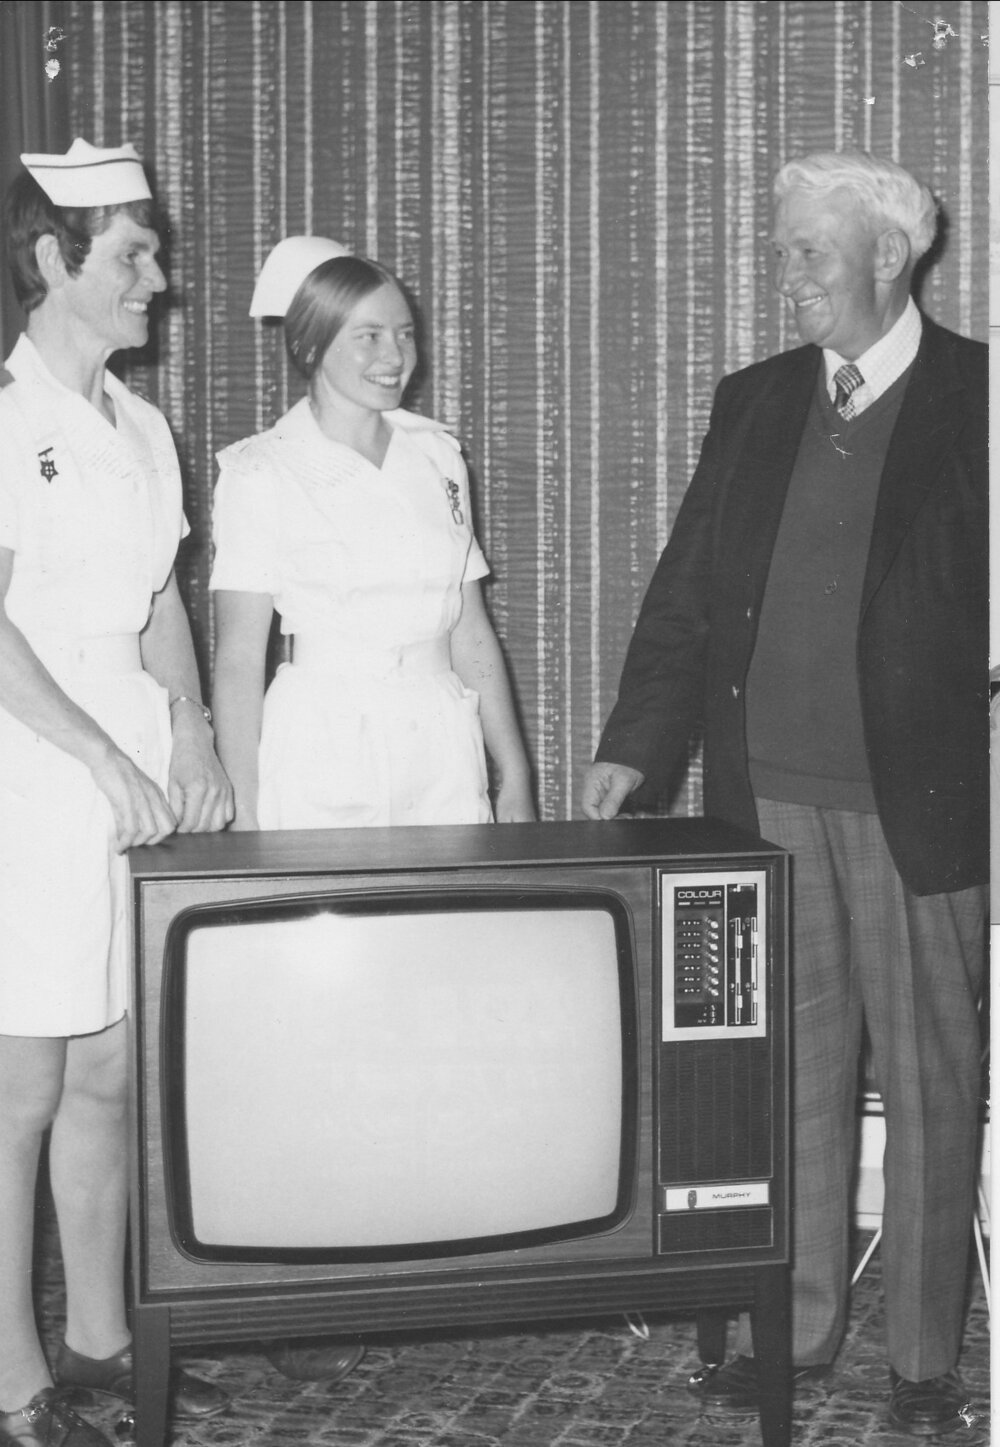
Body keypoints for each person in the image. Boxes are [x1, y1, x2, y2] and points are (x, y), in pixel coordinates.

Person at [581, 150, 986, 1438]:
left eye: (809, 246)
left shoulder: (979, 399)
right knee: (785, 1076)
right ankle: (796, 1326)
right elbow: (689, 591)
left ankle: (922, 1361)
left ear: (886, 254)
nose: (787, 268)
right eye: (782, 244)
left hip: (915, 802)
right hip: (769, 803)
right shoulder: (754, 401)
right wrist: (634, 747)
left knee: (929, 1080)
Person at [210, 236, 536, 1377]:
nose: (395, 354)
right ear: (311, 344)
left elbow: (471, 627)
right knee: (315, 1015)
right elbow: (236, 660)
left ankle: (412, 1262)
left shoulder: (438, 455)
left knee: (426, 1005)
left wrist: (513, 774)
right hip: (319, 744)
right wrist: (247, 822)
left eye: (404, 333)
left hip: (435, 738)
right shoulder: (259, 470)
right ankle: (298, 1290)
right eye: (369, 335)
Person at [0, 140, 235, 1447]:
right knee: (18, 1085)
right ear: (53, 259)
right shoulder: (2, 412)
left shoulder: (146, 427)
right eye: (135, 253)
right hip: (28, 763)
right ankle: (11, 1372)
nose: (160, 278)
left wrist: (190, 733)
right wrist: (96, 752)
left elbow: (156, 604)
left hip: (130, 766)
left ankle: (100, 1337)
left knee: (106, 1072)